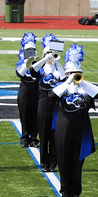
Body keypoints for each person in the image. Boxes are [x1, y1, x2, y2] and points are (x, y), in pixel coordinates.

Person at [51, 46, 98, 197]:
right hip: (63, 129)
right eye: (70, 73)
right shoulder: (62, 88)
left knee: (77, 162)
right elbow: (51, 95)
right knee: (64, 161)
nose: (73, 76)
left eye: (76, 73)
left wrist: (82, 81)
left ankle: (75, 193)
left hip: (81, 130)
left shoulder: (85, 89)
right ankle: (65, 193)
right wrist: (67, 82)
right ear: (66, 73)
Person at [31, 33, 65, 172]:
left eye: (52, 54)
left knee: (55, 136)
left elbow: (64, 79)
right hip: (43, 106)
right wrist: (44, 58)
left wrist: (57, 62)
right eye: (48, 54)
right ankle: (44, 162)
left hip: (57, 108)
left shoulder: (58, 71)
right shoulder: (41, 70)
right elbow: (32, 70)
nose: (51, 57)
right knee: (44, 136)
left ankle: (53, 161)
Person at [15, 32, 40, 147]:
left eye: (32, 50)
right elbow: (19, 73)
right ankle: (25, 136)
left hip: (36, 90)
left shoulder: (40, 62)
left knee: (35, 114)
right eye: (28, 50)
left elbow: (41, 73)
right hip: (25, 90)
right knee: (24, 114)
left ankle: (34, 137)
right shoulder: (21, 62)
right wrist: (26, 62)